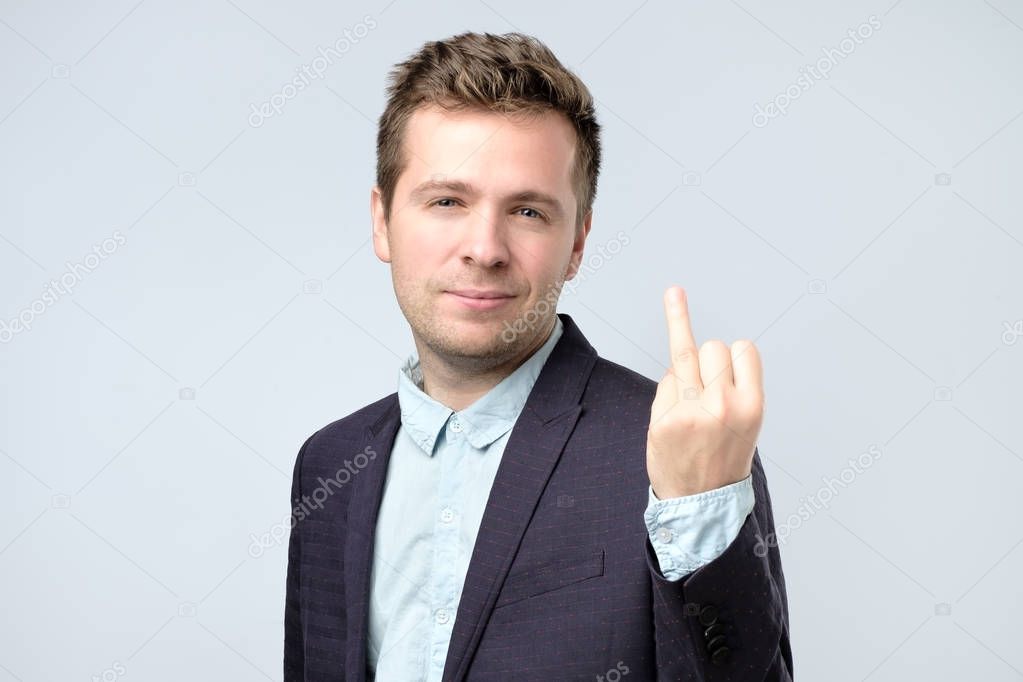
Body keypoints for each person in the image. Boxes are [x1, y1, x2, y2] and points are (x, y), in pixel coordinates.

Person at [284, 30, 792, 681]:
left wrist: (699, 518)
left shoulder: (676, 449)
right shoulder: (328, 464)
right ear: (382, 221)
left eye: (527, 211)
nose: (484, 248)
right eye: (446, 201)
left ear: (577, 243)